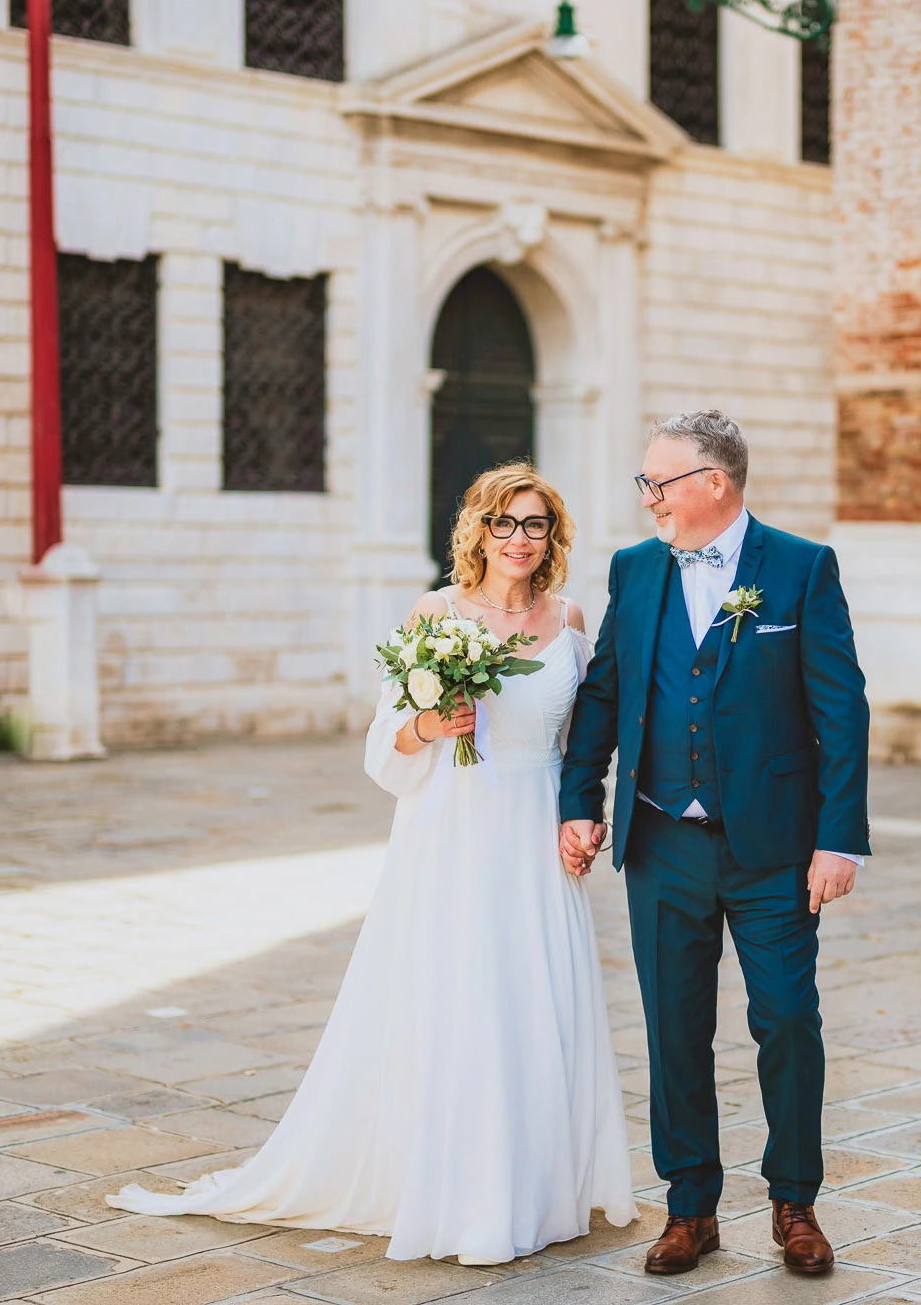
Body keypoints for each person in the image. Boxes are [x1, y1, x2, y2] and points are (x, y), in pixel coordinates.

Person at [108, 464, 635, 1265]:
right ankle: (454, 1190)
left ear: (552, 537)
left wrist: (581, 819)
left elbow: (579, 748)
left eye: (535, 525)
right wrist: (429, 724)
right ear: (479, 531)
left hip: (532, 835)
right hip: (450, 832)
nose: (520, 540)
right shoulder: (435, 613)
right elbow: (384, 748)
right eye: (505, 523)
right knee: (456, 994)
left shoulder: (570, 619)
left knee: (530, 996)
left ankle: (530, 1187)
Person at [559, 409, 870, 1276]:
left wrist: (838, 840)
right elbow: (605, 695)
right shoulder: (635, 570)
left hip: (774, 847)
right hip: (662, 842)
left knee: (785, 1022)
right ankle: (689, 1207)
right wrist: (579, 799)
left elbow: (841, 711)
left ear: (713, 484)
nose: (648, 497)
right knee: (674, 1030)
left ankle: (794, 1202)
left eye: (658, 481)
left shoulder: (803, 569)